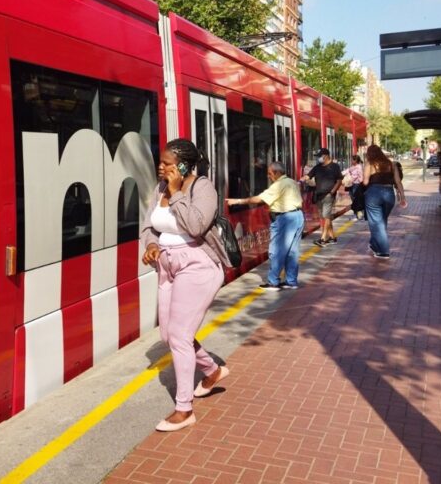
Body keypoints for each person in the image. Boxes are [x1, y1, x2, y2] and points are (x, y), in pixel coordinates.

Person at [140, 138, 233, 433]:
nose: (161, 166)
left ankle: (184, 409)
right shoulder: (159, 189)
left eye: (167, 163)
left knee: (180, 335)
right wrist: (152, 244)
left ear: (182, 165)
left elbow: (195, 226)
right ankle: (212, 370)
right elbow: (149, 225)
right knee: (169, 334)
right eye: (161, 161)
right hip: (166, 266)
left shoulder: (202, 187)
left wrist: (178, 192)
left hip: (197, 265)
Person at [226, 161, 303, 291]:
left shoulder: (278, 185)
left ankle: (273, 282)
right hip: (297, 216)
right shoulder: (291, 182)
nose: (268, 176)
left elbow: (259, 199)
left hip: (284, 218)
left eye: (270, 173)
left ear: (277, 173)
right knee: (292, 252)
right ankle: (291, 281)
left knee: (277, 251)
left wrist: (237, 201)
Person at [362, 145, 407, 259]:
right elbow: (398, 181)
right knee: (381, 221)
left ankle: (383, 251)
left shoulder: (369, 163)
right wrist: (402, 197)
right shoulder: (391, 164)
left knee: (376, 222)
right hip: (389, 193)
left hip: (373, 193)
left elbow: (365, 182)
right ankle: (374, 245)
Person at [301, 148, 343, 247]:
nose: (319, 158)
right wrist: (301, 180)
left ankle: (323, 238)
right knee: (325, 217)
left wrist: (332, 192)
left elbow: (339, 180)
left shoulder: (335, 167)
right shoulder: (317, 167)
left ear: (326, 156)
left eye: (320, 156)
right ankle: (332, 237)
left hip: (329, 195)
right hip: (319, 195)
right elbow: (308, 176)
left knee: (326, 216)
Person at [344, 155, 365, 220]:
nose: (351, 161)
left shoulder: (359, 167)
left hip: (357, 185)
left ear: (356, 160)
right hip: (352, 185)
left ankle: (358, 214)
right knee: (354, 200)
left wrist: (354, 180)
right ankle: (357, 214)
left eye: (352, 160)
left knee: (356, 200)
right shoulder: (353, 167)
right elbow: (346, 171)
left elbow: (361, 177)